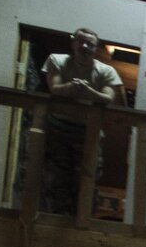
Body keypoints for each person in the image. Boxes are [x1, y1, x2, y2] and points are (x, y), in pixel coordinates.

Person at [29, 27, 124, 216]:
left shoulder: (106, 70)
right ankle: (55, 218)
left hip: (89, 131)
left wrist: (88, 92)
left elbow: (108, 98)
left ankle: (82, 220)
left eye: (90, 44)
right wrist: (71, 87)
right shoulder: (58, 60)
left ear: (96, 48)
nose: (85, 46)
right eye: (81, 41)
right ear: (73, 43)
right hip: (58, 126)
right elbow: (54, 87)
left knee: (87, 177)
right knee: (57, 178)